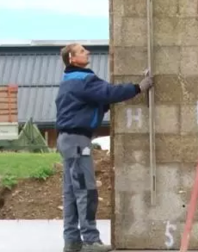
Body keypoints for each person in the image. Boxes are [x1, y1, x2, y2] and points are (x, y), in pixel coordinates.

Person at [55, 43, 153, 252]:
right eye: (82, 51)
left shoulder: (69, 81)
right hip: (78, 142)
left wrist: (113, 99)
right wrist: (138, 87)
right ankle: (90, 241)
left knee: (72, 192)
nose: (87, 52)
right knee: (86, 190)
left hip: (67, 141)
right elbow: (108, 92)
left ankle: (72, 242)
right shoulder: (83, 79)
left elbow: (97, 101)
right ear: (72, 59)